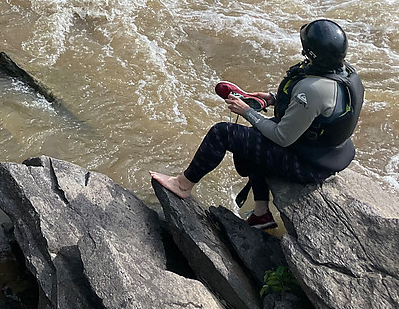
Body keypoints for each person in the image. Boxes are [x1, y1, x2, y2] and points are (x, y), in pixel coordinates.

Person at [151, 19, 364, 229]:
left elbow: (282, 136)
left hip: (308, 165)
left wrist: (247, 111)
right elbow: (321, 110)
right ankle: (261, 214)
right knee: (254, 138)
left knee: (222, 133)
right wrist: (273, 98)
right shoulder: (345, 73)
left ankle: (182, 185)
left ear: (311, 54)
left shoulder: (313, 90)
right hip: (325, 152)